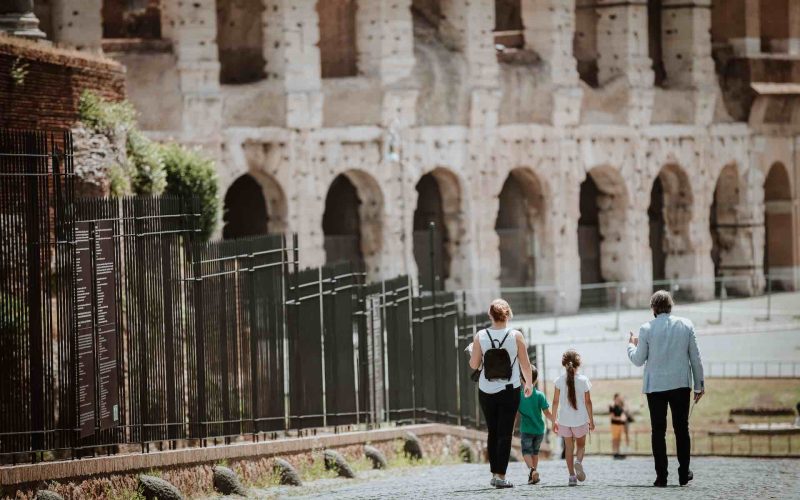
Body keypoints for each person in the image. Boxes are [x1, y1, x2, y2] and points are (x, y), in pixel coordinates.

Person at [627, 290, 705, 488]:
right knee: (682, 429)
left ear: (653, 308)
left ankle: (661, 476)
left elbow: (638, 360)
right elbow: (695, 357)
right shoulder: (686, 325)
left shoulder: (646, 328)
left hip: (656, 387)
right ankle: (683, 473)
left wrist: (630, 345)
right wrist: (699, 384)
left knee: (658, 431)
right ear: (671, 306)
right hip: (680, 384)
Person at [469, 298, 535, 489]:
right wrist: (528, 383)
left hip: (486, 390)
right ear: (509, 314)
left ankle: (494, 473)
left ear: (490, 315)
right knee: (505, 433)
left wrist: (475, 352)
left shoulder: (480, 335)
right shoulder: (516, 336)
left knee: (493, 431)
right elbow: (525, 364)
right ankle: (501, 476)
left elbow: (474, 365)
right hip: (509, 389)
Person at [551, 350, 595, 487]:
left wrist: (554, 420)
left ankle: (571, 476)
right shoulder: (584, 380)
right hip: (580, 420)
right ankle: (578, 462)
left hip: (564, 420)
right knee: (581, 446)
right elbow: (588, 402)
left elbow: (555, 402)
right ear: (578, 364)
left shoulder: (558, 381)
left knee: (569, 447)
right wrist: (591, 420)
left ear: (564, 364)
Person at [517, 367, 554, 485]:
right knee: (535, 453)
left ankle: (532, 470)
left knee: (526, 452)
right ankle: (533, 476)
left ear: (521, 380)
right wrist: (555, 422)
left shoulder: (519, 396)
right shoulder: (540, 395)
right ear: (536, 380)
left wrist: (511, 428)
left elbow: (514, 415)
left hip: (526, 430)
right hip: (539, 430)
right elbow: (547, 413)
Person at [609, 393, 627, 459]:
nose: (619, 399)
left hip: (620, 425)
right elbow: (612, 417)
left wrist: (623, 418)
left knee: (619, 439)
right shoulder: (612, 406)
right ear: (615, 398)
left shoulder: (620, 406)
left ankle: (618, 452)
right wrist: (620, 418)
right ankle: (614, 453)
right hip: (614, 424)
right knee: (615, 439)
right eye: (618, 398)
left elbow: (623, 413)